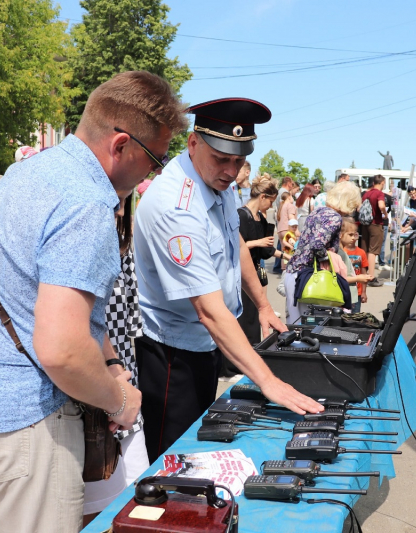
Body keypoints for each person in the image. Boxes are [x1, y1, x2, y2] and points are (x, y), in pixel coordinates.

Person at [0, 71, 175, 532]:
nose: (155, 173)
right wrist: (120, 399)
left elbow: (27, 294)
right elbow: (62, 351)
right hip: (24, 426)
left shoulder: (31, 171)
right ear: (121, 144)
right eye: (156, 160)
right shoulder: (86, 202)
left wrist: (107, 362)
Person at [133, 98, 323, 463]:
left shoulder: (217, 180)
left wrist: (264, 305)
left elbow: (233, 240)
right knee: (172, 461)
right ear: (193, 143)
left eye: (238, 161)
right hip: (173, 354)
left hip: (207, 344)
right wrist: (269, 383)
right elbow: (207, 310)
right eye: (222, 158)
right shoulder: (177, 207)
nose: (231, 171)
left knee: (203, 451)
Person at [83, 196, 150, 524]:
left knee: (134, 486)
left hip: (121, 372)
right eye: (111, 205)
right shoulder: (76, 247)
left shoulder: (122, 246)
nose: (119, 211)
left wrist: (118, 368)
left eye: (122, 202)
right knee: (99, 499)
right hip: (93, 390)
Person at [283, 181, 362, 324]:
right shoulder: (335, 218)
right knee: (307, 327)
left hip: (295, 272)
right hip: (308, 276)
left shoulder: (318, 211)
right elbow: (316, 245)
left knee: (295, 324)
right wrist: (330, 256)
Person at [236, 176, 284, 346]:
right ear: (262, 196)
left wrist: (287, 256)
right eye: (271, 201)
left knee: (254, 316)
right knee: (244, 317)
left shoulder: (260, 218)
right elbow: (235, 246)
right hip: (241, 274)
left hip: (255, 273)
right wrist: (257, 242)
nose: (271, 206)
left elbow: (266, 250)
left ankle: (254, 350)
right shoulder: (241, 215)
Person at [360, 175, 388, 288]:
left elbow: (359, 208)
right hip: (376, 223)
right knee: (373, 251)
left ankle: (363, 274)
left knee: (365, 250)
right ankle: (371, 276)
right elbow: (381, 205)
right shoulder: (379, 193)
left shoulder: (367, 193)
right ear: (382, 183)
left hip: (365, 223)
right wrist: (385, 214)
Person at [340, 218, 373, 313]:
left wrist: (363, 292)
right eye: (350, 235)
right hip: (344, 293)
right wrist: (359, 278)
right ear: (340, 235)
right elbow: (341, 278)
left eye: (355, 234)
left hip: (356, 293)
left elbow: (363, 270)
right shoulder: (341, 253)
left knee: (355, 316)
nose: (353, 238)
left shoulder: (361, 252)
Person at [272, 176, 295, 275]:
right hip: (287, 229)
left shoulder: (281, 206)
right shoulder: (290, 205)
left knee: (284, 250)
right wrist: (295, 230)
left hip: (281, 230)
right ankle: (288, 270)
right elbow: (291, 218)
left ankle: (283, 269)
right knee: (289, 250)